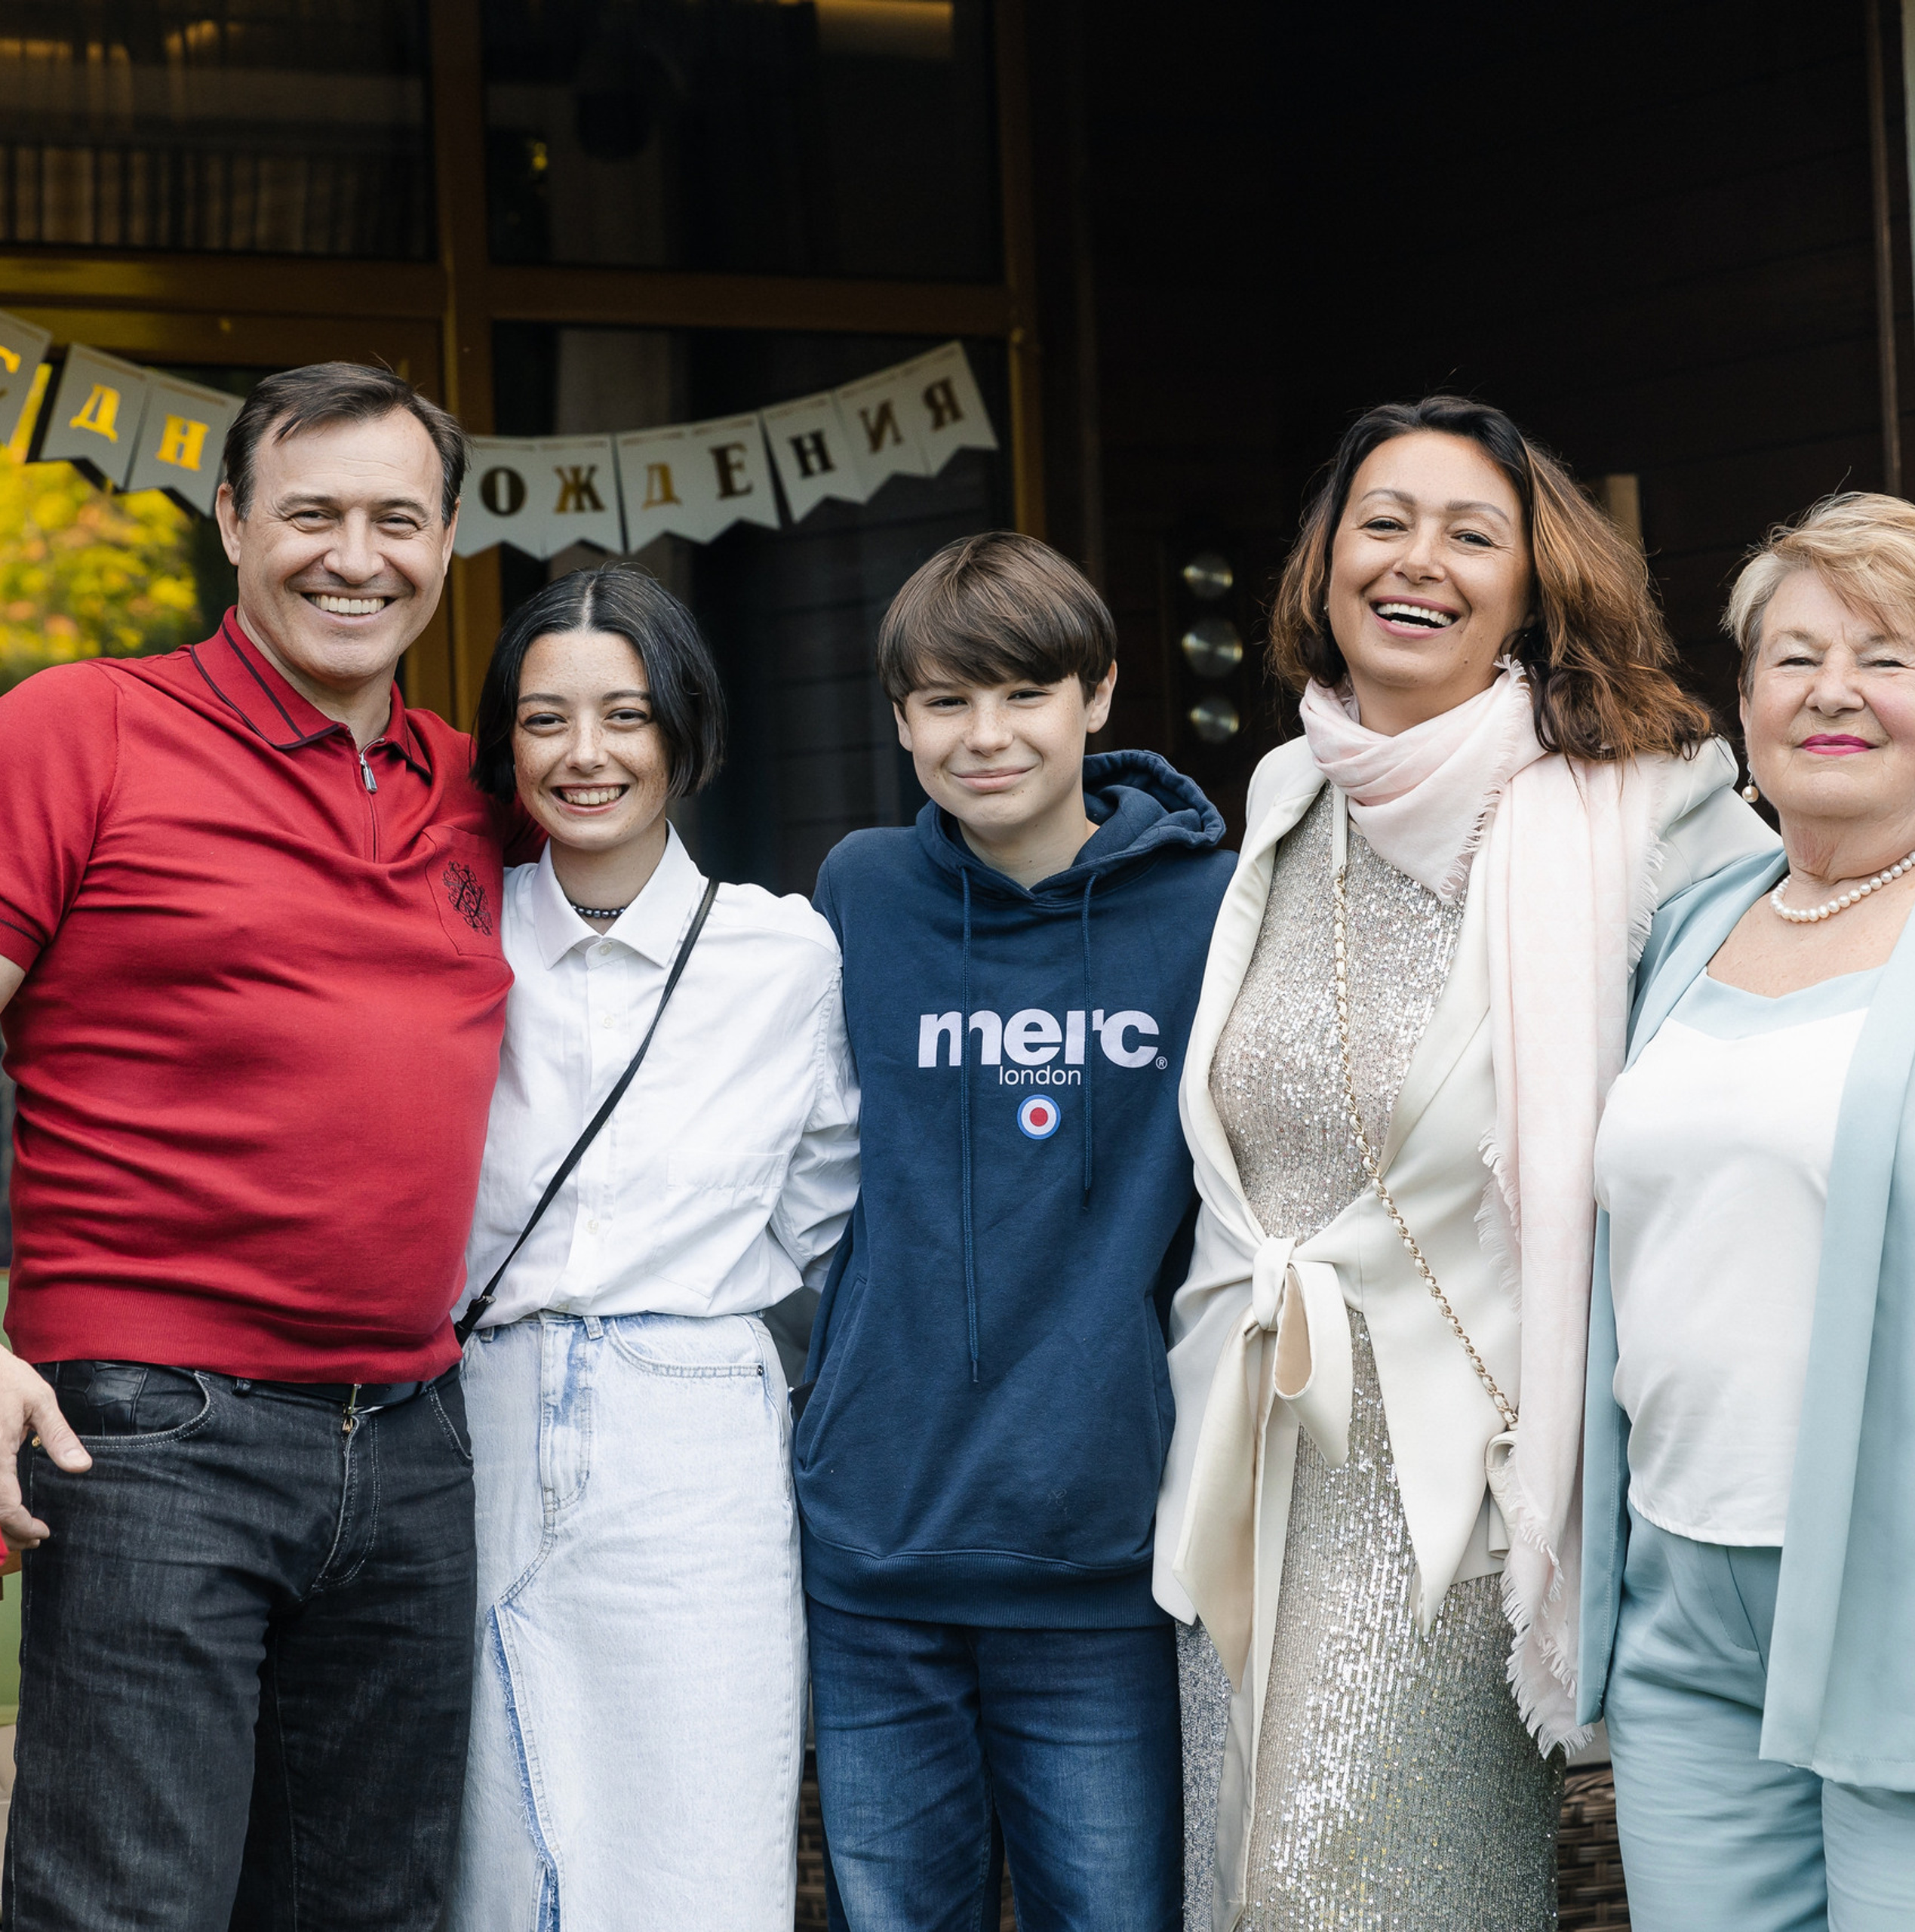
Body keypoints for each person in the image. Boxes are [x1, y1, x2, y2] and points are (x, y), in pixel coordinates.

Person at [1152, 395, 1779, 1932]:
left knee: (1345, 1887)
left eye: (1466, 532)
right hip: (1251, 1449)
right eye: (1380, 520)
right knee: (1235, 1874)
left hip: (1461, 1471)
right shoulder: (1289, 793)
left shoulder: (1651, 811)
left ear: (1527, 584)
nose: (1414, 559)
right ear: (1321, 564)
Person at [0, 362, 527, 1930]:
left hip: (418, 1435)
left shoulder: (469, 791)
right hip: (154, 1426)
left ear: (445, 542)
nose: (352, 556)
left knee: (365, 1906)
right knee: (127, 1904)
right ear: (231, 521)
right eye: (310, 513)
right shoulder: (80, 726)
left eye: (394, 519)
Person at [793, 532, 1236, 1930]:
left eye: (1024, 695)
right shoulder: (862, 894)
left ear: (1098, 695)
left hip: (1101, 1550)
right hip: (878, 1542)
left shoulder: (1215, 905)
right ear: (904, 718)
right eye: (944, 702)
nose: (985, 737)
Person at [447, 564, 859, 1930]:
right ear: (505, 742)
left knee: (696, 1847)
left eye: (624, 716)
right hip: (476, 1418)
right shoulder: (450, 941)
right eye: (546, 719)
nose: (586, 755)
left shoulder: (784, 958)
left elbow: (822, 1207)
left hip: (694, 1440)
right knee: (489, 1853)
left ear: (683, 733)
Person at [1580, 494, 1915, 1929]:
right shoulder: (1691, 920)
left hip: (1902, 1592)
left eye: (1889, 655)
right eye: (1795, 657)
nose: (1833, 690)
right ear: (1745, 699)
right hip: (1683, 1589)